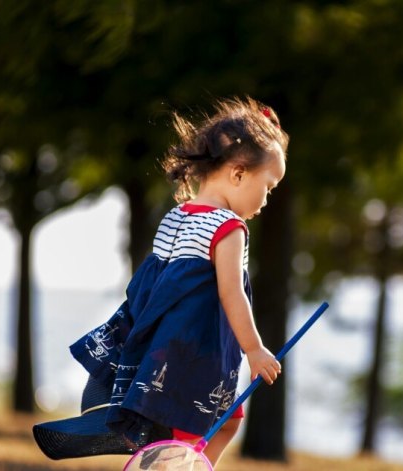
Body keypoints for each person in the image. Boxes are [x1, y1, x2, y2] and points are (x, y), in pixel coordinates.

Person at [34, 96, 289, 467]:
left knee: (223, 421)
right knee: (200, 428)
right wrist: (253, 349)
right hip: (196, 352)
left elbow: (149, 285)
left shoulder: (175, 217)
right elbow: (231, 291)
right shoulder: (230, 228)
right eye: (268, 187)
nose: (266, 200)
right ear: (238, 173)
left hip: (162, 348)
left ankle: (184, 465)